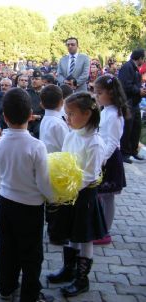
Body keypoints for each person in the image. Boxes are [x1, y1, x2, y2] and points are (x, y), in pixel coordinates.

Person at [0, 88, 54, 302]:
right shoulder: (36, 146)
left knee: (7, 248)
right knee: (31, 254)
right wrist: (53, 198)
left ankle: (6, 287)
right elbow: (43, 182)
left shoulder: (1, 142)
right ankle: (30, 295)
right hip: (30, 208)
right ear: (31, 114)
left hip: (6, 203)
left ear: (4, 116)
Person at [47, 92, 107, 298]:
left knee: (84, 238)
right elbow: (64, 158)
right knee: (71, 233)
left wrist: (68, 189)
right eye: (66, 114)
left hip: (84, 195)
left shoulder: (95, 142)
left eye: (71, 114)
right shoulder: (72, 134)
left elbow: (90, 175)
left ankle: (82, 279)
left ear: (87, 113)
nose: (67, 119)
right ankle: (68, 269)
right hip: (69, 193)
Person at [93, 75, 127, 245]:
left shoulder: (113, 114)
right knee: (101, 196)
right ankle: (99, 226)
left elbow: (112, 142)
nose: (96, 96)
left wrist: (101, 160)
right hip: (103, 156)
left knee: (107, 197)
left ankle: (104, 231)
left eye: (99, 93)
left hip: (109, 159)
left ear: (111, 94)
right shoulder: (106, 110)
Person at [39, 85, 70, 245]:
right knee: (58, 202)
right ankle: (56, 233)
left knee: (52, 200)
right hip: (58, 166)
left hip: (49, 163)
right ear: (61, 102)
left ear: (41, 104)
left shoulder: (47, 119)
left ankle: (53, 230)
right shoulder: (58, 123)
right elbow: (67, 146)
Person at [118, 48, 146, 163]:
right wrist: (138, 91)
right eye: (143, 58)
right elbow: (125, 85)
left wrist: (141, 91)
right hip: (127, 103)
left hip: (135, 104)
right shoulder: (127, 67)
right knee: (127, 129)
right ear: (139, 58)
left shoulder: (135, 69)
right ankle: (124, 153)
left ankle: (133, 151)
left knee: (136, 128)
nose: (144, 60)